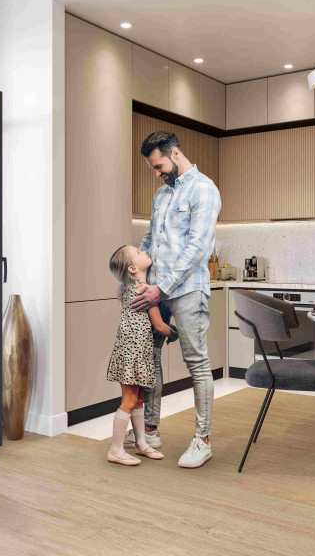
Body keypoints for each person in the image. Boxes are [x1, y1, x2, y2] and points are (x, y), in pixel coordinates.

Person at [130, 131, 221, 469]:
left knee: (196, 362)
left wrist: (162, 287)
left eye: (159, 166)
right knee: (149, 357)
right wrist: (138, 269)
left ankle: (203, 440)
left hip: (186, 290)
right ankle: (150, 431)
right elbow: (151, 237)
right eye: (154, 168)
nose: (157, 172)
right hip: (155, 291)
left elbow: (198, 248)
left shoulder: (204, 189)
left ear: (176, 154)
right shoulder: (160, 195)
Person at [106, 245, 177, 466]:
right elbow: (160, 326)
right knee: (129, 401)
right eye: (138, 252)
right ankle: (115, 449)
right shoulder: (144, 290)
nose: (144, 251)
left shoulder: (127, 288)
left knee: (138, 400)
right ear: (132, 267)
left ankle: (141, 444)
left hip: (132, 350)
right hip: (134, 352)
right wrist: (177, 333)